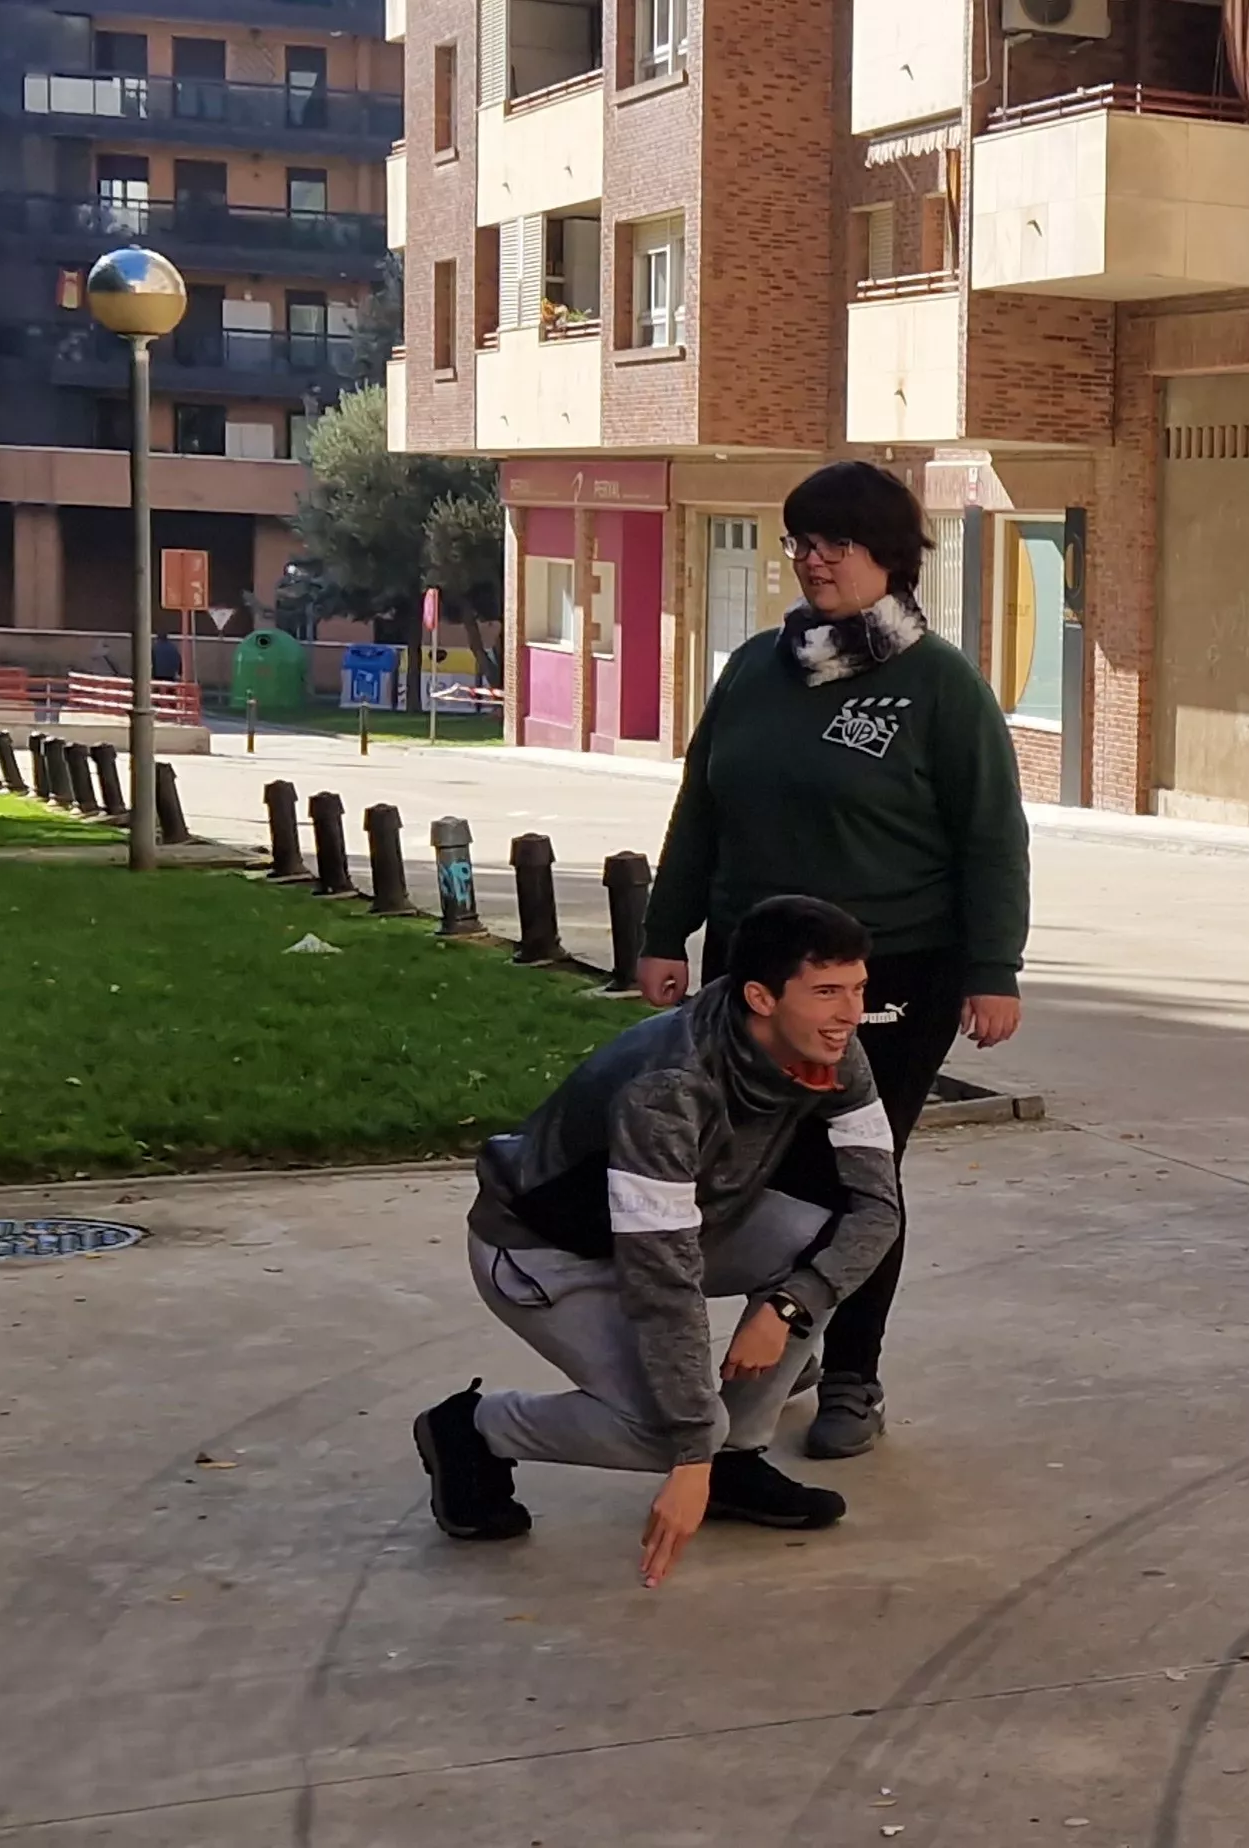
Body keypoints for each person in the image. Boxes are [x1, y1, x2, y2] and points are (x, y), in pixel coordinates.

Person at [633, 461, 1030, 1461]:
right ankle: (793, 1342)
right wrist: (661, 934)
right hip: (749, 974)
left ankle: (852, 1372)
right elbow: (703, 808)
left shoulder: (938, 686)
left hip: (889, 973)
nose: (810, 560)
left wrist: (994, 967)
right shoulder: (755, 671)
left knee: (859, 1178)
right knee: (761, 1170)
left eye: (831, 545)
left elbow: (991, 838)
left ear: (888, 558)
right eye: (798, 543)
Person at [411, 896, 903, 1588]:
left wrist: (794, 1302)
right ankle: (474, 1428)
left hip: (681, 1230)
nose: (851, 1013)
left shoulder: (835, 1049)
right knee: (661, 1431)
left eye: (857, 989)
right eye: (827, 992)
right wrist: (687, 1454)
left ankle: (735, 1457)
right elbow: (661, 1279)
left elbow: (878, 1209)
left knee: (819, 1240)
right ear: (761, 997)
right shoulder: (669, 1089)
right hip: (544, 1252)